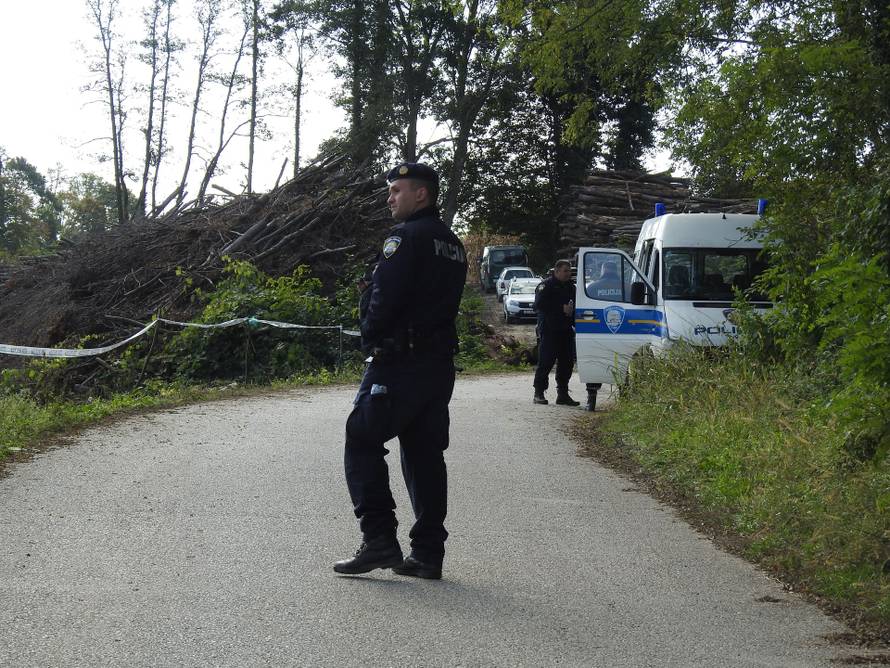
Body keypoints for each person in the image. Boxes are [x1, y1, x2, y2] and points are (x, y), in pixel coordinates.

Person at [333, 162, 467, 580]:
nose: (389, 198)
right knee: (425, 454)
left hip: (398, 363)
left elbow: (383, 298)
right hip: (436, 366)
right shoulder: (452, 243)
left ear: (421, 195)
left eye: (396, 191)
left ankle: (378, 540)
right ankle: (428, 554)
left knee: (361, 438)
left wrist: (370, 337)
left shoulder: (404, 237)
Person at [532, 259, 579, 406]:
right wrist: (560, 308)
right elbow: (538, 305)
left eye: (569, 270)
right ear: (557, 271)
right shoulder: (546, 286)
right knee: (546, 362)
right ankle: (539, 393)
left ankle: (563, 394)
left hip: (566, 330)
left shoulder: (571, 287)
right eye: (565, 270)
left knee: (567, 363)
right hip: (550, 330)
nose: (568, 273)